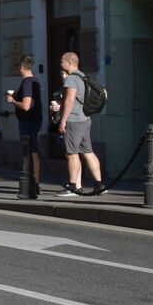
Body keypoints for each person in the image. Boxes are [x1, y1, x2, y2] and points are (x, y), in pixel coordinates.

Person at [53, 51, 103, 196]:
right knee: (88, 152)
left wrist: (62, 120)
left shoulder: (71, 79)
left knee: (72, 154)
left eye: (62, 61)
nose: (60, 63)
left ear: (69, 63)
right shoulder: (83, 76)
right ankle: (99, 185)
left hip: (73, 121)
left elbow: (69, 101)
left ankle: (73, 186)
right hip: (85, 119)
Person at [8, 56, 43, 191]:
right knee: (32, 152)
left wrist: (13, 101)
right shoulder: (35, 81)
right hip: (35, 120)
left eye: (19, 68)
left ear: (22, 68)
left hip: (28, 122)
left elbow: (26, 106)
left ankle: (33, 183)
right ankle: (34, 183)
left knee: (30, 153)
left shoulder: (27, 82)